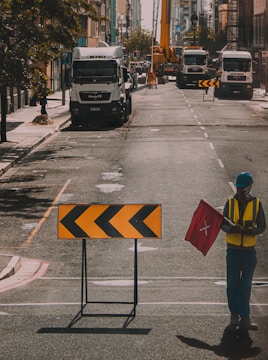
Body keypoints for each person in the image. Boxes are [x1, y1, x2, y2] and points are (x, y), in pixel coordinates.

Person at [221, 172, 266, 331]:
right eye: (238, 188)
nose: (239, 191)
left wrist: (247, 231)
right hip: (233, 252)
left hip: (248, 253)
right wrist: (231, 228)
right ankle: (235, 315)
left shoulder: (256, 204)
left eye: (242, 188)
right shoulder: (230, 203)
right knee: (232, 284)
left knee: (245, 286)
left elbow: (262, 227)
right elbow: (222, 224)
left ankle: (245, 318)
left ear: (249, 187)